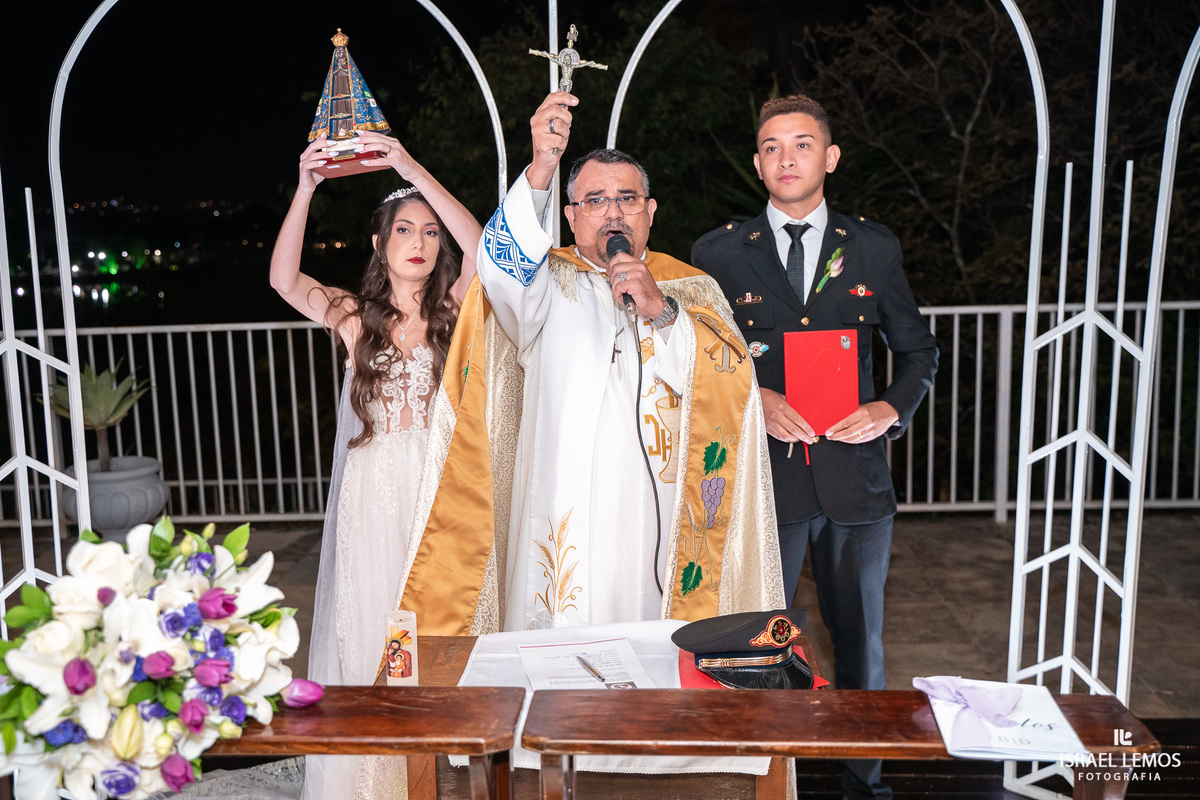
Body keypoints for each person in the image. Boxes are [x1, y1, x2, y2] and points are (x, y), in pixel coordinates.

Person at [397, 91, 785, 635]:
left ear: (650, 211)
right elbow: (499, 269)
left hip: (655, 509)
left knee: (650, 629)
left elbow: (732, 379)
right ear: (571, 216)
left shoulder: (690, 288)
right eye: (595, 200)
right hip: (563, 501)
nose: (613, 212)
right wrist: (541, 165)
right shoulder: (543, 284)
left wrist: (663, 311)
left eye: (627, 198)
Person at [692, 94, 938, 800]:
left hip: (854, 482)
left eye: (802, 144)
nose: (787, 158)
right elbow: (699, 363)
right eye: (772, 146)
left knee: (859, 643)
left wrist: (890, 407)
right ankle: (768, 781)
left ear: (829, 158)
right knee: (758, 643)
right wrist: (755, 399)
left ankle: (865, 783)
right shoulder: (717, 253)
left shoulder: (873, 247)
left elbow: (918, 351)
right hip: (764, 482)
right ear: (757, 163)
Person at [270, 130, 481, 800]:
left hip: (438, 489)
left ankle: (436, 765)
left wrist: (409, 167)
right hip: (373, 492)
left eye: (428, 232)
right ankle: (377, 774)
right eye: (403, 230)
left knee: (434, 626)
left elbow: (481, 246)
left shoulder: (455, 309)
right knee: (379, 626)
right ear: (379, 243)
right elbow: (283, 279)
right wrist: (306, 187)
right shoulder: (354, 317)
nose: (418, 242)